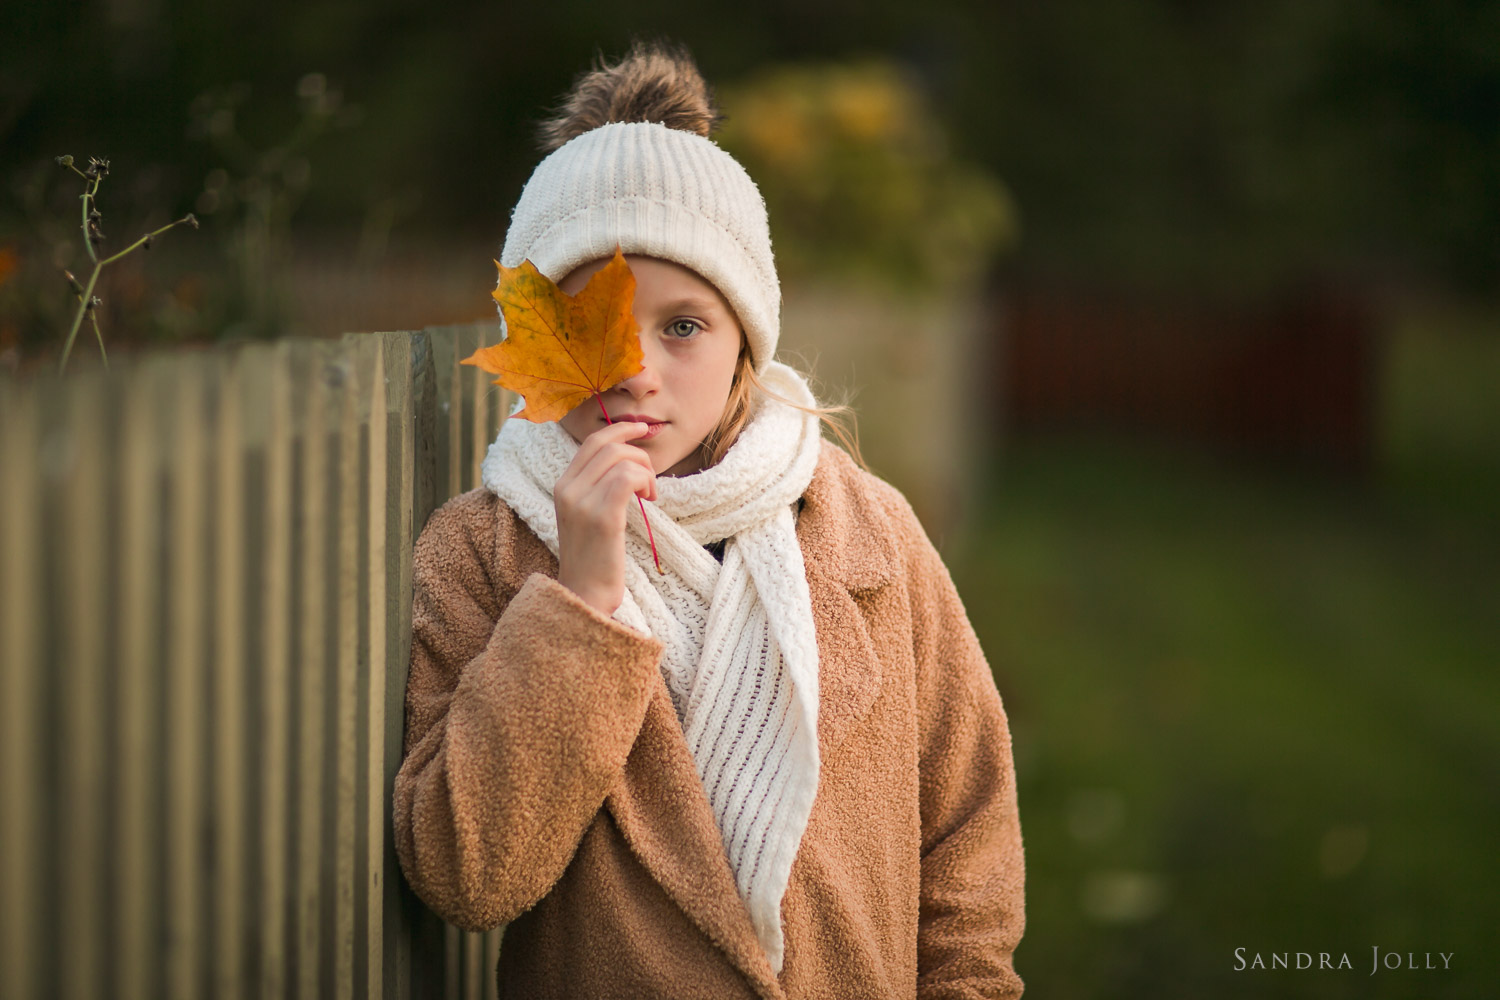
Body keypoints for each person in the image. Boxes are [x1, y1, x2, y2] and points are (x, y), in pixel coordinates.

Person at [392, 39, 1025, 999]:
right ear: (531, 341)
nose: (635, 368)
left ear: (743, 344)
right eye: (584, 324)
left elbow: (968, 824)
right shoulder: (482, 552)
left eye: (682, 325)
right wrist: (581, 602)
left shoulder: (869, 535)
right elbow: (467, 875)